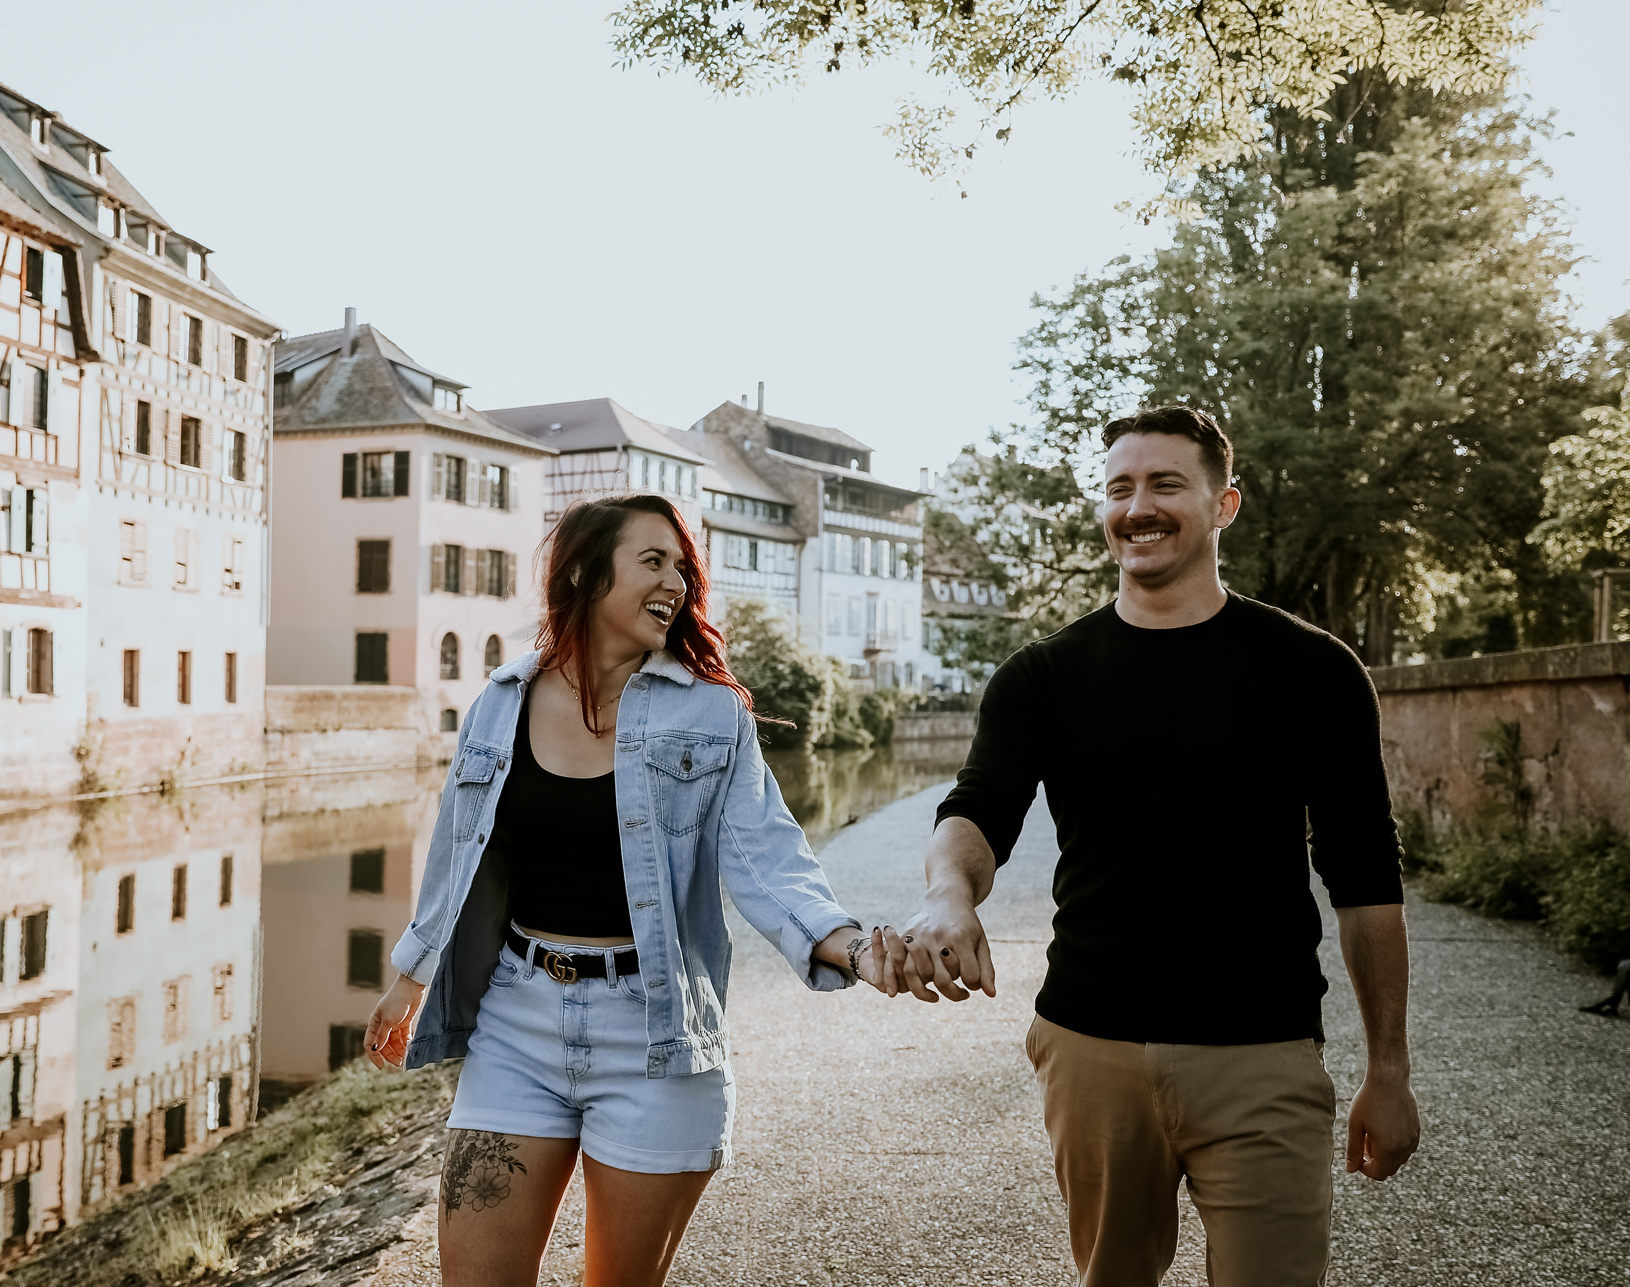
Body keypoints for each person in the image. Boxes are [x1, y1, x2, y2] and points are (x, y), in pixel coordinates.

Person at [882, 406, 1421, 1286]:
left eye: (1166, 483)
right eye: (1120, 487)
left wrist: (1389, 1069)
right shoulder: (1043, 676)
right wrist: (949, 894)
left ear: (1224, 504)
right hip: (1090, 1047)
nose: (1139, 505)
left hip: (1264, 1052)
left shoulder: (1315, 672)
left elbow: (1365, 876)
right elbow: (977, 811)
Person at [364, 494, 890, 1286]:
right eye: (653, 561)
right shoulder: (498, 704)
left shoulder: (712, 713)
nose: (676, 582)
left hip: (655, 1038)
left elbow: (767, 858)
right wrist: (411, 975)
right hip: (517, 1021)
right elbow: (459, 853)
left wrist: (850, 946)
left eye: (683, 568)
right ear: (583, 570)